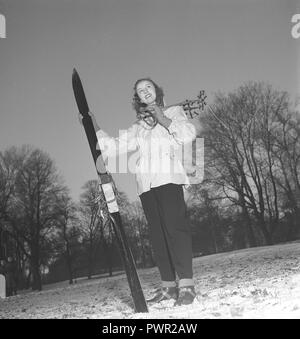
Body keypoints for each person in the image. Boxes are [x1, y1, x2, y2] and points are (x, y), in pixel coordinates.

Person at [80, 78, 197, 306]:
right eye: (140, 91)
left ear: (157, 91)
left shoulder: (174, 111)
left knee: (176, 231)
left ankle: (187, 286)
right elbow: (114, 147)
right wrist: (92, 124)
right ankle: (169, 287)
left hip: (169, 178)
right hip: (146, 186)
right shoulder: (138, 127)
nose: (145, 92)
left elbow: (187, 134)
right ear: (138, 99)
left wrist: (162, 118)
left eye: (148, 87)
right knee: (158, 237)